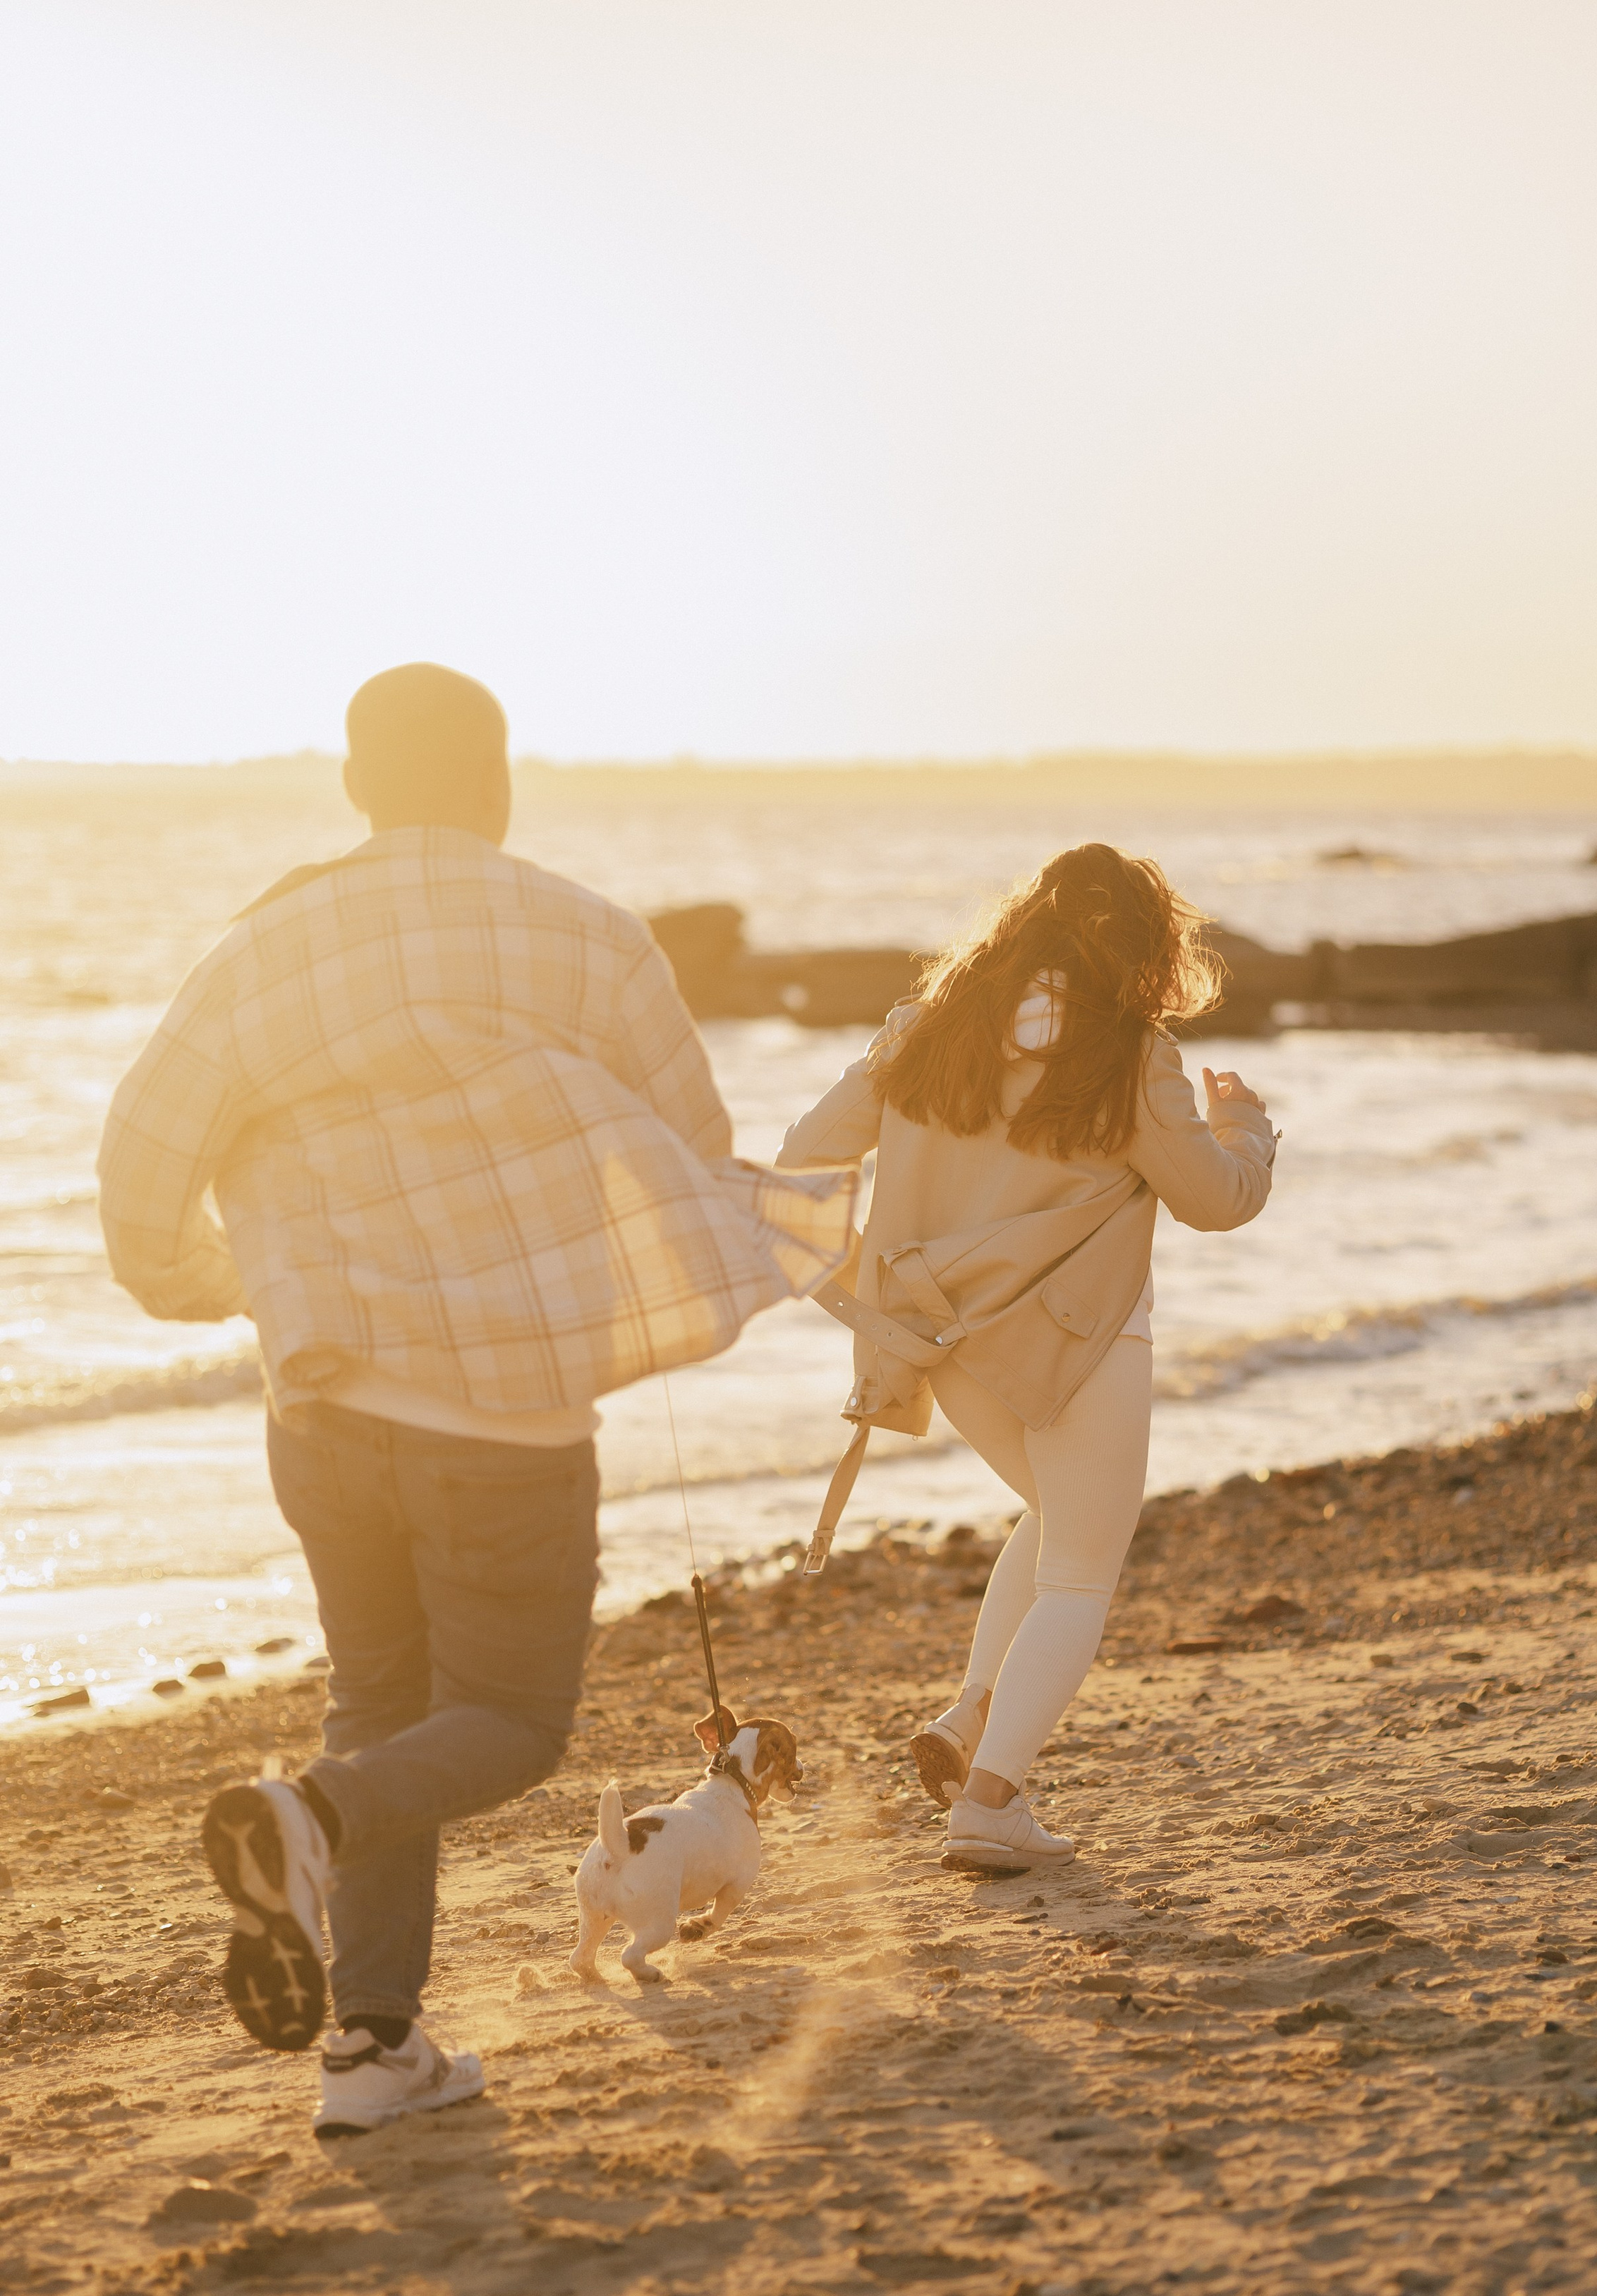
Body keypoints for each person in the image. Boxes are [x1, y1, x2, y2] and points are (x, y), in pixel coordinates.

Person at [97, 664, 851, 2134]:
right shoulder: (586, 935)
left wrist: (234, 1285)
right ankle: (307, 1824)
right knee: (505, 1719)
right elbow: (689, 1150)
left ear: (356, 787)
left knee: (383, 1707)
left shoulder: (264, 947)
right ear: (497, 782)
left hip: (322, 1401)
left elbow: (139, 1175)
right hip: (502, 1412)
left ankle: (374, 2048)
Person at [778, 843, 1275, 1873]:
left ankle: (972, 1720)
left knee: (1056, 1525)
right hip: (1084, 1343)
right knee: (1083, 1577)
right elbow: (1215, 1201)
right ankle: (991, 1804)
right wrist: (1246, 1127)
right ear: (1142, 947)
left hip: (948, 1340)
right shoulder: (1131, 1054)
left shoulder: (926, 1032)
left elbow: (805, 1154)